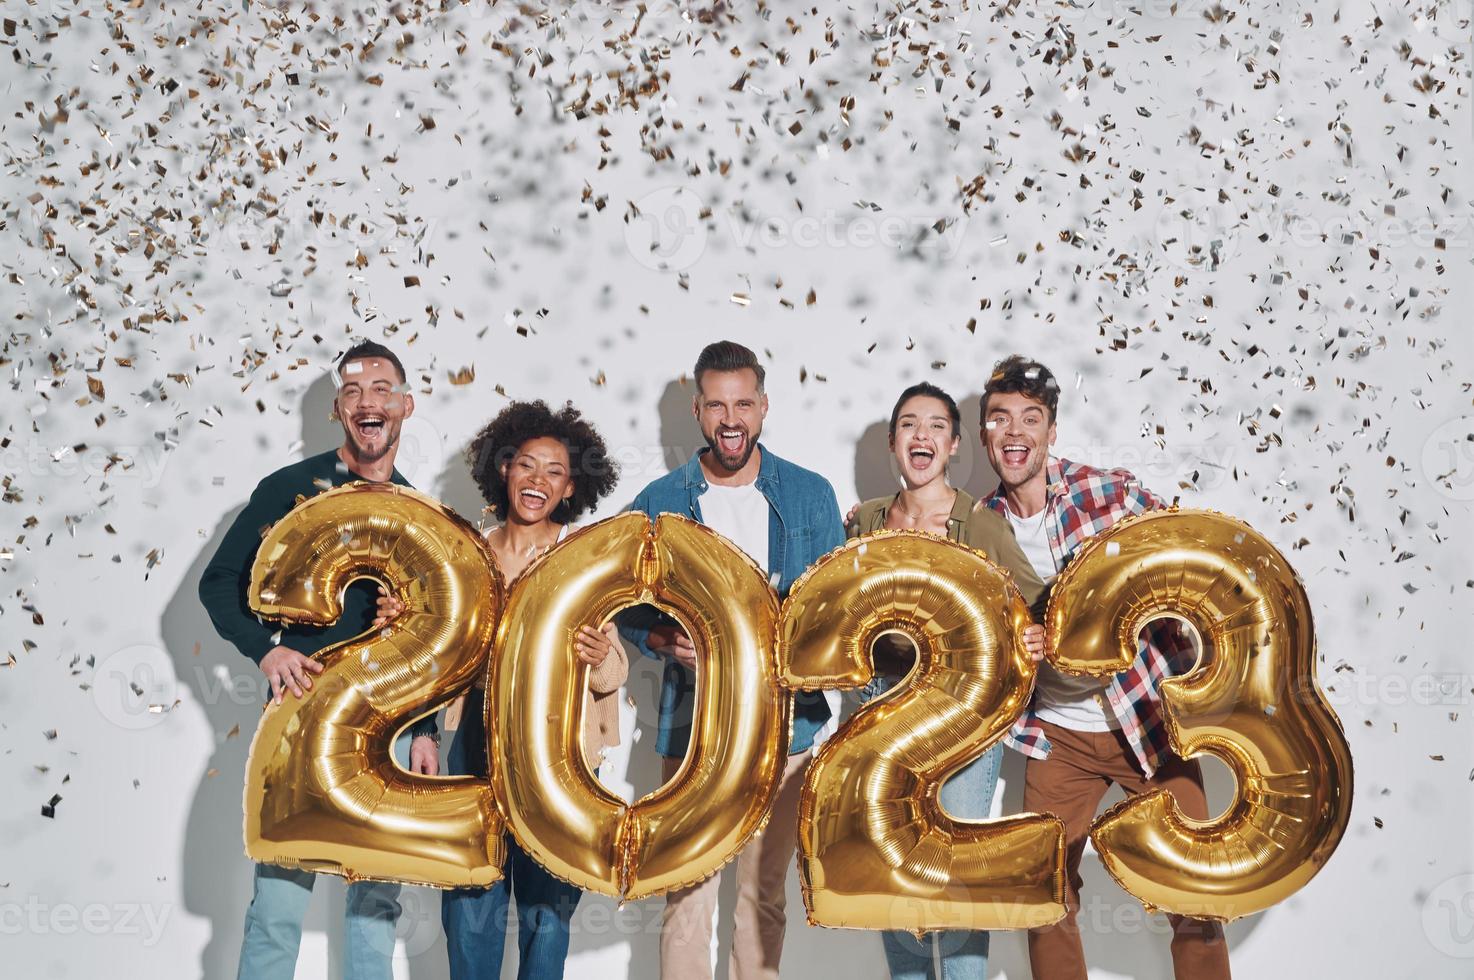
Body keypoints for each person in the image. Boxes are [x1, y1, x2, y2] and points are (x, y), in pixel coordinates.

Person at [976, 355, 1232, 980]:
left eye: (1030, 419)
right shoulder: (976, 526)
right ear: (984, 433)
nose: (1015, 433)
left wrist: (1183, 672)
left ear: (1051, 431)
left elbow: (1188, 567)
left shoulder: (1110, 493)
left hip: (1144, 721)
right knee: (1046, 896)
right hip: (1055, 737)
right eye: (1000, 418)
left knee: (1192, 889)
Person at [198, 340, 440, 980]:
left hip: (385, 734)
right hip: (301, 726)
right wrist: (267, 648)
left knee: (375, 907)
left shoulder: (418, 510)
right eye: (355, 391)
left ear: (405, 406)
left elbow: (430, 637)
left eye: (382, 389)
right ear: (339, 408)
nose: (369, 401)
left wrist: (426, 730)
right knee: (278, 905)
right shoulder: (290, 489)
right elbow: (218, 582)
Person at [374, 399, 627, 980]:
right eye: (526, 465)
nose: (537, 480)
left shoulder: (584, 559)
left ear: (570, 489)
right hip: (472, 746)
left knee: (547, 909)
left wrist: (598, 658)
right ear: (504, 470)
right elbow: (431, 646)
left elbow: (613, 666)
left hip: (556, 754)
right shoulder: (468, 553)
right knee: (469, 901)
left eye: (554, 472)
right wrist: (398, 617)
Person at [617, 340, 845, 980]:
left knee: (760, 901)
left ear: (764, 406)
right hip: (692, 732)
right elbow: (620, 601)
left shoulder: (810, 495)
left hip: (785, 728)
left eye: (743, 402)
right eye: (716, 405)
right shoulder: (661, 500)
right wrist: (664, 642)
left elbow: (830, 612)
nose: (731, 418)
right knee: (686, 894)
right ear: (697, 410)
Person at [846, 381, 1046, 980]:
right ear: (892, 442)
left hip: (961, 716)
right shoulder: (867, 522)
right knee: (891, 871)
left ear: (955, 445)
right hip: (880, 712)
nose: (922, 436)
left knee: (953, 876)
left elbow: (1039, 605)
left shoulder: (979, 525)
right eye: (909, 424)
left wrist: (1031, 635)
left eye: (936, 426)